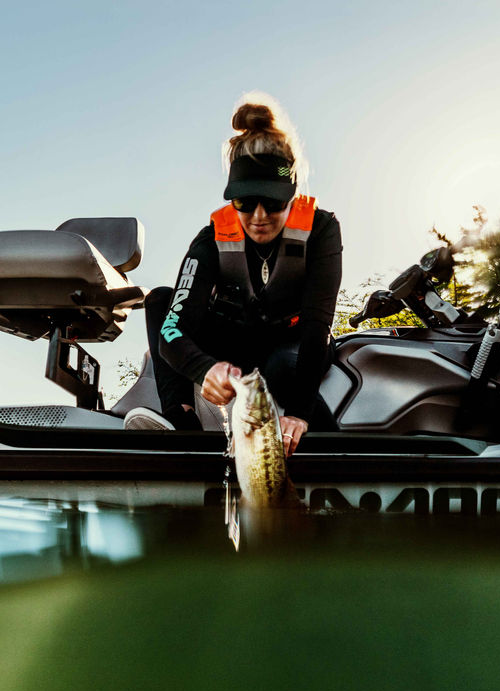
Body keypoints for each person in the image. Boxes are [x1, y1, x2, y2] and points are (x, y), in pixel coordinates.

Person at [125, 97, 342, 456]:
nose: (259, 217)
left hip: (293, 342)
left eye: (273, 202)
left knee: (280, 367)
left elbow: (317, 326)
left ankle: (334, 451)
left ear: (292, 193)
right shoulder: (211, 237)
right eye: (245, 202)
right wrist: (205, 369)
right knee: (160, 300)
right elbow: (172, 329)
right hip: (235, 339)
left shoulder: (321, 229)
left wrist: (299, 414)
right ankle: (181, 422)